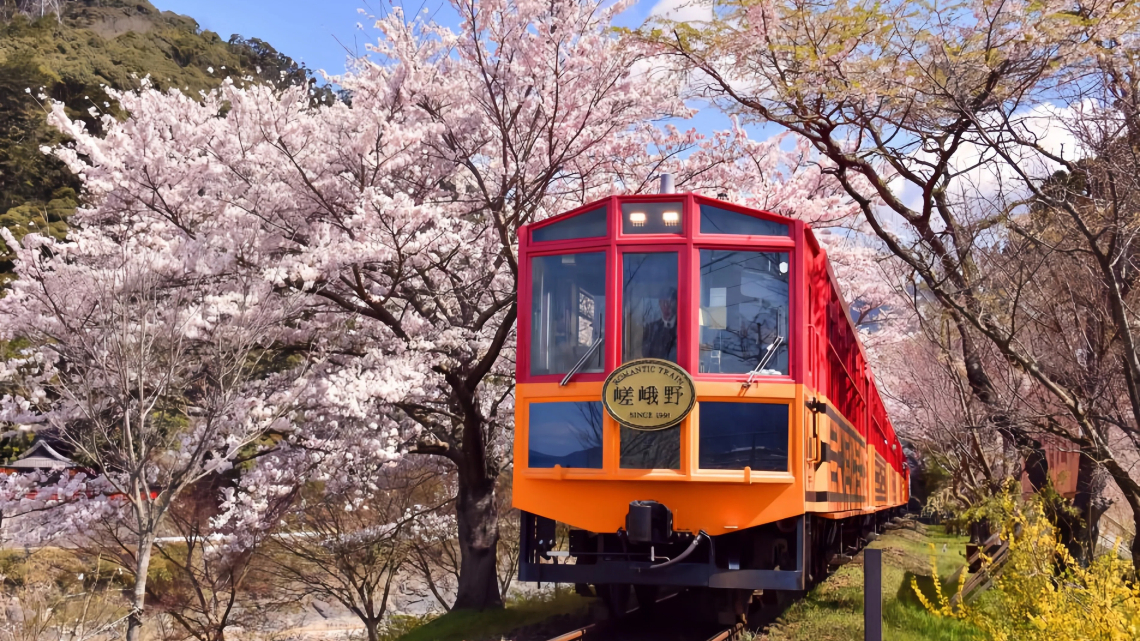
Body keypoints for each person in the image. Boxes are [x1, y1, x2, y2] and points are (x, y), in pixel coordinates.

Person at [641, 287, 678, 360]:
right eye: (663, 302)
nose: (666, 305)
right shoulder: (650, 329)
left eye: (670, 301)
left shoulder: (683, 329)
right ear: (659, 303)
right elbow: (646, 354)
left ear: (676, 303)